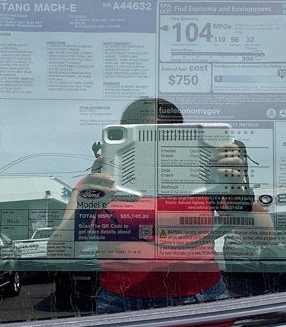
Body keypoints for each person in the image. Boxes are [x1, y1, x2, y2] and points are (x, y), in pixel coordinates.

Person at [49, 98, 273, 313]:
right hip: (121, 303)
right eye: (142, 136)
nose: (153, 145)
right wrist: (87, 205)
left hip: (201, 298)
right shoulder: (98, 184)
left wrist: (235, 188)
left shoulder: (207, 179)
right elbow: (60, 253)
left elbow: (262, 236)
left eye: (164, 136)